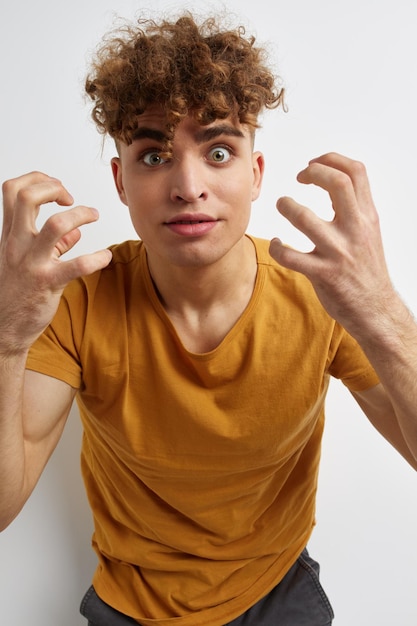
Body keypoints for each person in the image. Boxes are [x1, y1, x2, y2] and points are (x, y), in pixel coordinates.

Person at [0, 10, 416, 626]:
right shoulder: (76, 301)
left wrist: (380, 311)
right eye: (153, 156)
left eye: (219, 150)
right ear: (119, 180)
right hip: (130, 602)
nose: (188, 186)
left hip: (276, 589)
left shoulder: (320, 296)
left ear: (255, 174)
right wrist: (7, 338)